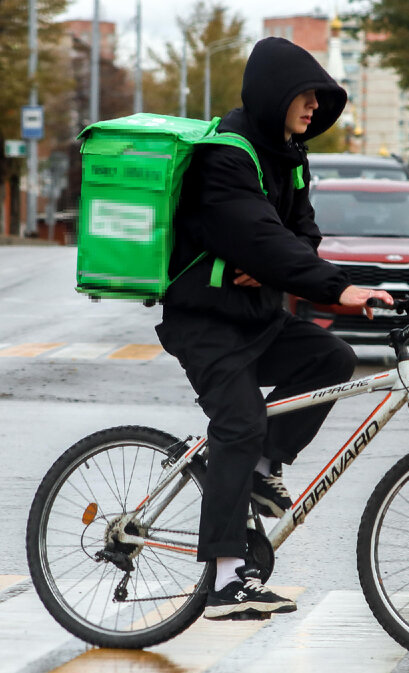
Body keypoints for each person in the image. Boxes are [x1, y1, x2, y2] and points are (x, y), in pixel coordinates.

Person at [156, 37, 393, 621]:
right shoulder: (227, 155)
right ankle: (223, 581)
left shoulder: (288, 154)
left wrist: (272, 260)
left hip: (257, 318)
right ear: (274, 93)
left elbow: (301, 234)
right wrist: (337, 288)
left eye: (320, 98)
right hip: (205, 323)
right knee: (237, 423)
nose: (314, 107)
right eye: (306, 96)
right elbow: (260, 236)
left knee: (331, 360)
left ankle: (262, 471)